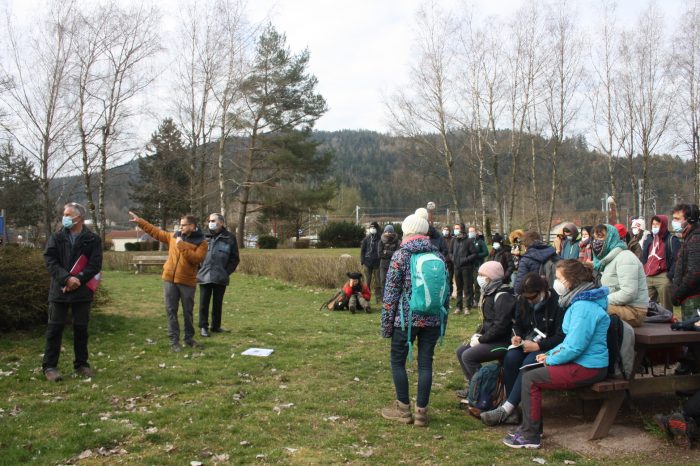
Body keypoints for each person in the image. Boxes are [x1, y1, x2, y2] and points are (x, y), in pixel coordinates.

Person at [504, 259, 610, 449]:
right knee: (529, 371)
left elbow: (575, 347)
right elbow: (571, 342)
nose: (556, 282)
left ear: (570, 281)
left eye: (559, 278)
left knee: (531, 378)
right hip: (582, 362)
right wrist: (550, 354)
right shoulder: (578, 302)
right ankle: (531, 427)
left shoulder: (583, 307)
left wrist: (551, 357)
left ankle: (531, 434)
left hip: (588, 366)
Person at [380, 213, 448, 427]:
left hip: (406, 320)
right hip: (433, 319)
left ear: (406, 231)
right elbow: (446, 292)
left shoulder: (401, 255)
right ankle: (421, 412)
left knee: (397, 362)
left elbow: (390, 293)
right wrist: (443, 321)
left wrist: (386, 326)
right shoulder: (439, 256)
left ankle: (403, 409)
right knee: (425, 364)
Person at [480, 272, 564, 426]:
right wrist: (517, 336)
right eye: (526, 298)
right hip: (527, 342)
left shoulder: (557, 304)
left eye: (532, 297)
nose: (530, 301)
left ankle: (507, 409)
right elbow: (517, 324)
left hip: (549, 346)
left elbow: (561, 336)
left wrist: (539, 346)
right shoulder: (523, 300)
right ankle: (514, 409)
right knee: (511, 357)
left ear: (542, 291)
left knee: (529, 363)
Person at [129, 211, 208, 352]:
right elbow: (156, 232)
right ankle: (174, 341)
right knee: (171, 311)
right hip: (169, 280)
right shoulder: (174, 236)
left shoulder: (202, 242)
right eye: (180, 225)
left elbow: (196, 259)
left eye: (184, 225)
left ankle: (188, 339)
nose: (181, 228)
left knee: (187, 312)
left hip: (187, 282)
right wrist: (140, 222)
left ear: (192, 226)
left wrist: (181, 245)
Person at [42, 202, 102, 382]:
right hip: (59, 291)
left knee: (81, 329)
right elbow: (50, 259)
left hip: (82, 292)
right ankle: (50, 366)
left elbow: (95, 264)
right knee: (54, 328)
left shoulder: (92, 239)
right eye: (64, 214)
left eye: (68, 214)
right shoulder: (57, 237)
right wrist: (66, 278)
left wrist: (79, 279)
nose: (65, 217)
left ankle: (81, 364)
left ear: (79, 218)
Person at [455, 261, 516, 397]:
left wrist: (482, 339)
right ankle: (474, 386)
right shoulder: (489, 292)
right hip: (491, 338)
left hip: (503, 342)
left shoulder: (503, 296)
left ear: (490, 277)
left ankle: (482, 390)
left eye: (481, 275)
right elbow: (487, 321)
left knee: (468, 356)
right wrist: (477, 334)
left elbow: (501, 326)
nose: (479, 277)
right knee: (461, 351)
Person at [593, 224, 648, 327]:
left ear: (611, 238)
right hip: (620, 306)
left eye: (600, 237)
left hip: (634, 311)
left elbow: (628, 293)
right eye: (595, 238)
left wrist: (603, 300)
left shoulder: (625, 257)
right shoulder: (608, 260)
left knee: (590, 309)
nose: (596, 241)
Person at [197, 213, 240, 337]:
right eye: (209, 220)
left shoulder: (230, 237)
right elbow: (195, 255)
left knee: (218, 302)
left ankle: (216, 326)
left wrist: (226, 272)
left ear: (221, 223)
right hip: (204, 274)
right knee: (204, 303)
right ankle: (203, 327)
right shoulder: (202, 236)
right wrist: (198, 270)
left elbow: (234, 258)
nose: (210, 222)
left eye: (213, 220)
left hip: (221, 275)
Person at [642, 214, 680, 312]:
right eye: (653, 224)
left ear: (663, 225)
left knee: (666, 307)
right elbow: (644, 257)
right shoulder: (649, 239)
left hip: (663, 275)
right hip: (648, 275)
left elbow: (677, 259)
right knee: (644, 306)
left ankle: (668, 322)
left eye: (657, 224)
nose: (654, 226)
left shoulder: (672, 240)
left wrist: (669, 275)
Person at [671, 204, 700, 321]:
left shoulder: (696, 239)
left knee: (692, 337)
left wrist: (678, 294)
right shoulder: (689, 237)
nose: (673, 222)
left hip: (693, 299)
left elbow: (694, 273)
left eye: (677, 219)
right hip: (688, 297)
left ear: (690, 220)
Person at [451, 222, 478, 314]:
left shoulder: (468, 241)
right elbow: (450, 252)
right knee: (459, 288)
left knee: (467, 288)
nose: (457, 230)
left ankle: (467, 307)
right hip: (457, 267)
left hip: (466, 268)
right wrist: (453, 258)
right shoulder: (454, 240)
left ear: (463, 229)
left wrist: (465, 259)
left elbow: (474, 254)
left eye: (459, 228)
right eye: (456, 229)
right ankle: (459, 307)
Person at [361, 221, 382, 303]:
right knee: (367, 282)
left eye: (374, 228)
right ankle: (366, 298)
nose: (372, 229)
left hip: (377, 263)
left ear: (377, 229)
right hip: (367, 263)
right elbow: (362, 250)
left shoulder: (380, 238)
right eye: (371, 228)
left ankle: (379, 298)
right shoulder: (366, 239)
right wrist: (362, 260)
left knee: (378, 282)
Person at [378, 224, 400, 300]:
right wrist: (391, 253)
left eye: (390, 231)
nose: (388, 233)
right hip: (383, 265)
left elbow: (397, 253)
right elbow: (380, 254)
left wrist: (386, 252)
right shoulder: (381, 242)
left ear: (393, 232)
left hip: (393, 264)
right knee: (383, 281)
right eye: (386, 231)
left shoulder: (397, 242)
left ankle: (393, 297)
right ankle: (383, 298)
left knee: (393, 281)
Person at [441, 225, 455, 296]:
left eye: (447, 230)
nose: (446, 231)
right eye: (444, 229)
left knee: (449, 279)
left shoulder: (452, 240)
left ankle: (450, 293)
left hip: (450, 263)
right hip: (441, 262)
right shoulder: (440, 239)